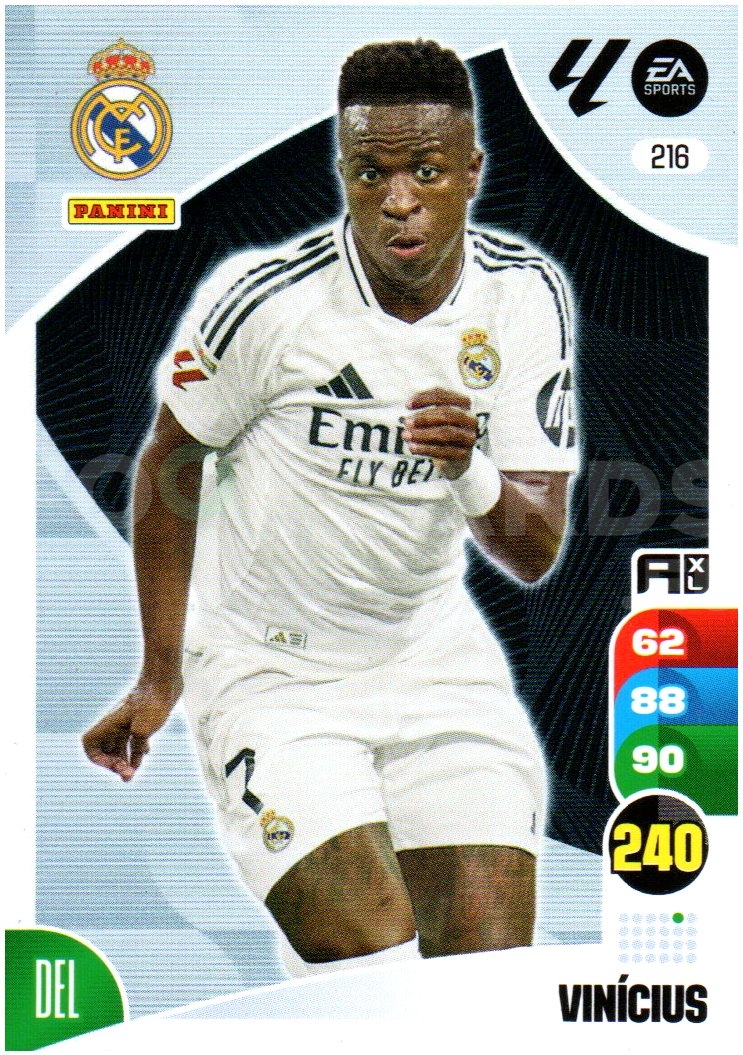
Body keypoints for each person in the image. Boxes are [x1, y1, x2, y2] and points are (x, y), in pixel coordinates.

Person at [82, 39, 578, 976]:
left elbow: (535, 548)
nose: (398, 200)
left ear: (473, 172)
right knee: (373, 956)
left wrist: (468, 467)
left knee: (485, 981)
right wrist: (159, 675)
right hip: (276, 675)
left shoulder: (523, 296)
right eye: (370, 172)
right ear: (342, 173)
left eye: (426, 170)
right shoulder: (268, 304)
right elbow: (168, 465)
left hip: (435, 665)